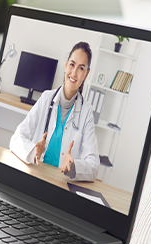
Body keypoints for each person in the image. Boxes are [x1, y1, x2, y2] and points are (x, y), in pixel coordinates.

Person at [9, 42, 100, 182]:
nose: (74, 73)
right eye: (72, 64)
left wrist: (74, 166)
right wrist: (33, 151)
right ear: (66, 65)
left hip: (61, 182)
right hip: (35, 175)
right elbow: (16, 138)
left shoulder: (86, 112)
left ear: (86, 74)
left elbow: (94, 166)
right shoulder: (46, 98)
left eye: (81, 68)